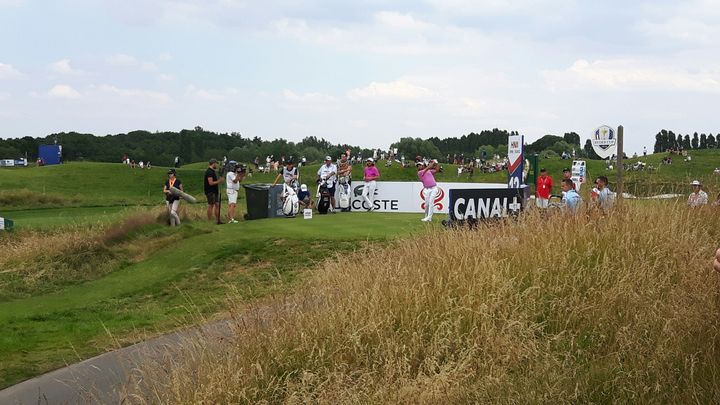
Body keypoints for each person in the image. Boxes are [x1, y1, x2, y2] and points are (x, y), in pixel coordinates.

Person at [204, 159, 223, 224]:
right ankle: (209, 220)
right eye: (216, 164)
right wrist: (219, 181)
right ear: (213, 163)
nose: (217, 165)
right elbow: (211, 183)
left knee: (217, 205)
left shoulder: (212, 171)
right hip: (210, 191)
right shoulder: (209, 172)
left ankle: (218, 220)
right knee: (211, 205)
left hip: (214, 191)